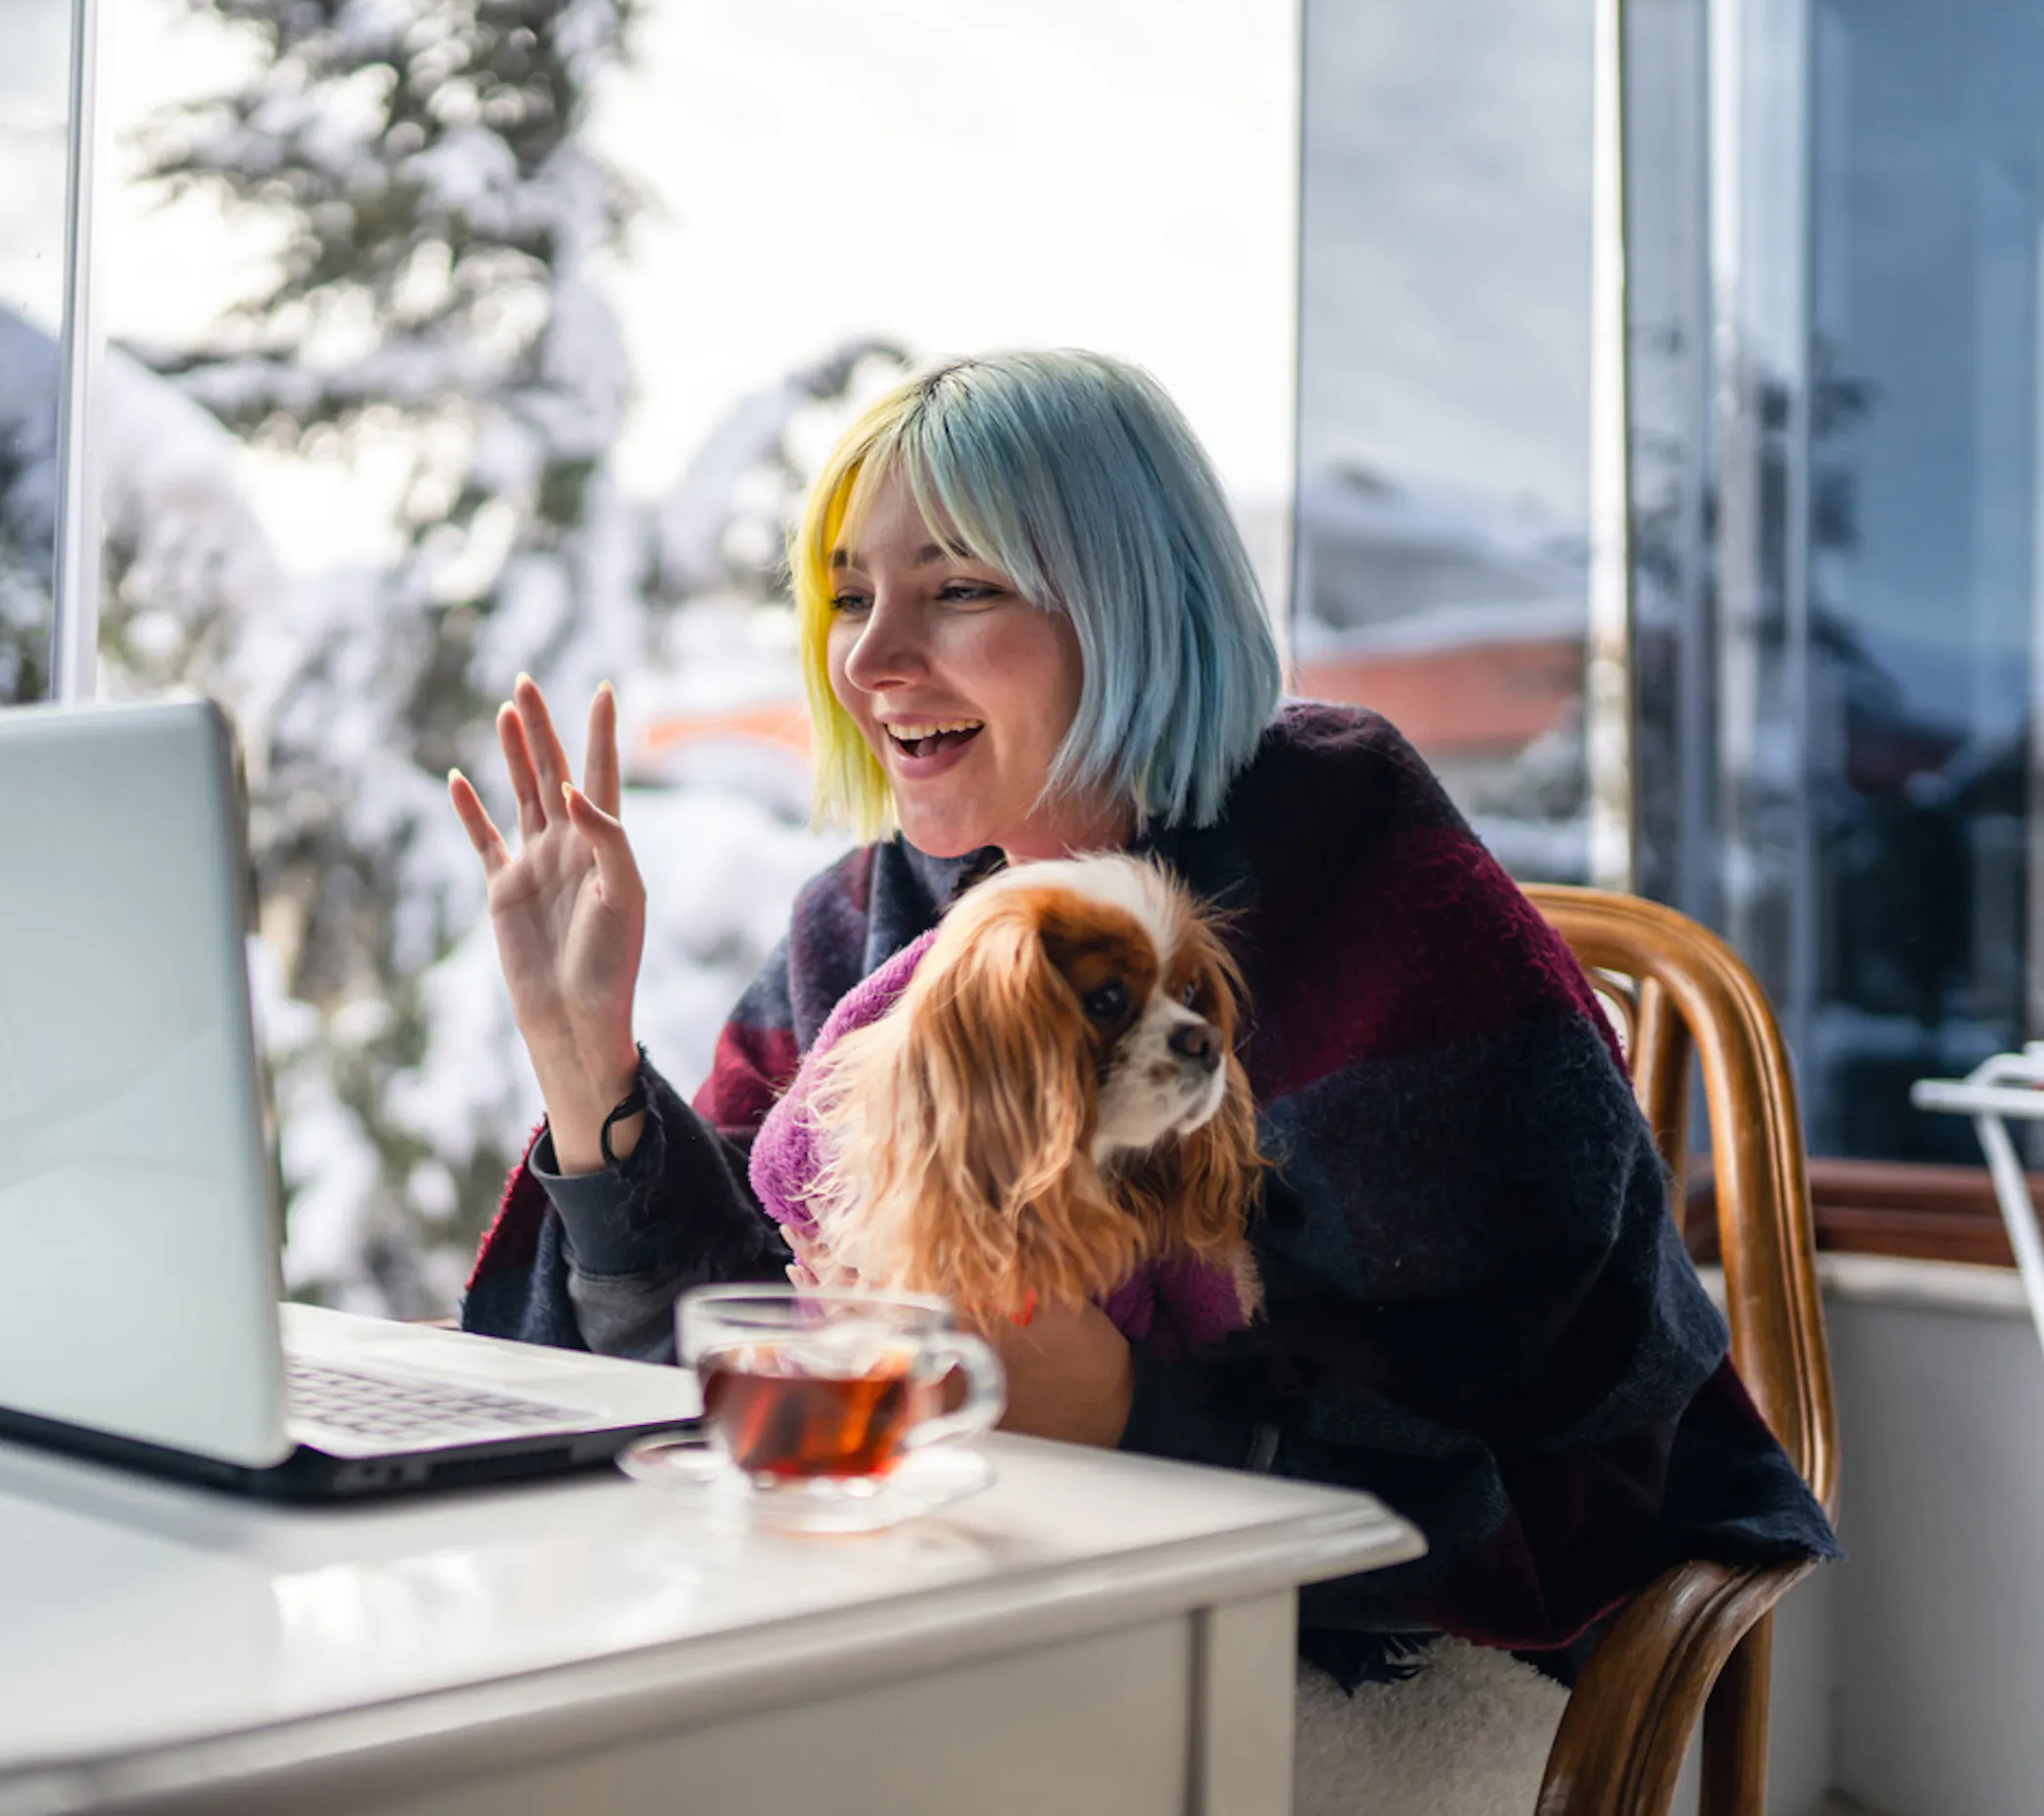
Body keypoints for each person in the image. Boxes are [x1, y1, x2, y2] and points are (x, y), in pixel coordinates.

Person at [444, 350, 1834, 1710]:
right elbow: (720, 1362)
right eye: (847, 594)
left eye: (960, 587)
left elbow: (1542, 1475)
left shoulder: (1370, 876)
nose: (871, 657)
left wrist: (1130, 1409)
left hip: (1377, 1648)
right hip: (963, 1590)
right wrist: (589, 1067)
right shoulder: (864, 919)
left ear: (1129, 607)